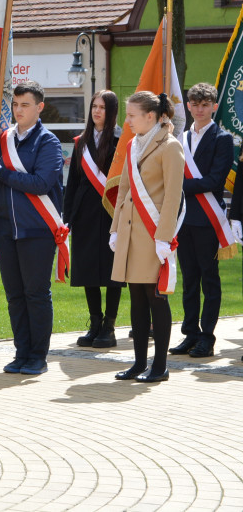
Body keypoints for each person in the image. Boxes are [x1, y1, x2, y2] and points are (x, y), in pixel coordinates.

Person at [0, 80, 64, 376]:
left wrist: (3, 172)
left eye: (25, 105)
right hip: (4, 230)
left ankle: (38, 355)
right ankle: (21, 352)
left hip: (36, 231)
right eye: (15, 105)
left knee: (36, 294)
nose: (19, 110)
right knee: (14, 295)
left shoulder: (48, 142)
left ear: (40, 107)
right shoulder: (2, 140)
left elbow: (42, 183)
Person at [110, 91, 184, 382]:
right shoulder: (132, 145)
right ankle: (139, 363)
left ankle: (160, 365)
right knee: (137, 299)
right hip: (131, 234)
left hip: (154, 235)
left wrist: (165, 237)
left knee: (156, 299)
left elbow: (173, 197)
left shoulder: (170, 147)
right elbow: (125, 190)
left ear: (150, 116)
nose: (126, 121)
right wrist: (115, 228)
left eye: (131, 115)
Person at [170, 82, 233, 359]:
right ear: (188, 106)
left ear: (214, 107)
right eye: (194, 104)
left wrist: (178, 185)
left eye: (204, 105)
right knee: (189, 280)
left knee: (210, 279)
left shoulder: (222, 139)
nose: (199, 109)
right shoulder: (181, 138)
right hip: (184, 219)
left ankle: (207, 336)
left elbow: (215, 181)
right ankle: (190, 333)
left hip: (208, 219)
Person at [64, 90, 123, 348]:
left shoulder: (122, 141)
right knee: (88, 270)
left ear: (112, 112)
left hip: (111, 214)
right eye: (94, 106)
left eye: (102, 107)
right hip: (85, 214)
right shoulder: (81, 142)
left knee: (112, 272)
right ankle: (95, 323)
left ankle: (109, 326)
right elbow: (73, 182)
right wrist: (68, 217)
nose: (97, 111)